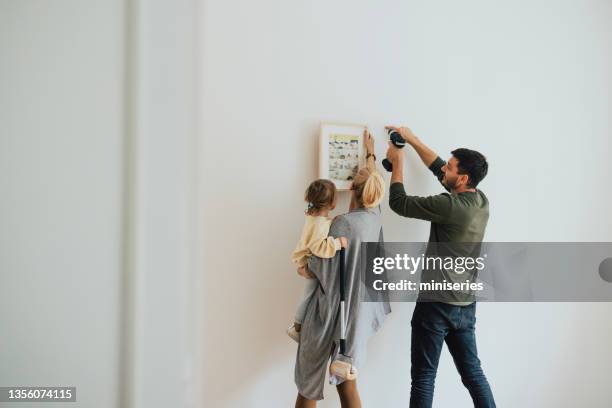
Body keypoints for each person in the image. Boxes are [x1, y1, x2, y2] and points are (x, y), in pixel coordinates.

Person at [385, 125, 496, 408]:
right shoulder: (481, 202)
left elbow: (399, 203)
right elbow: (438, 170)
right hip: (465, 305)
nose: (443, 170)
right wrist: (412, 139)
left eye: (450, 167)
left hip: (436, 305)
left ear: (463, 178)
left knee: (423, 378)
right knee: (473, 374)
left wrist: (397, 163)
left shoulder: (449, 205)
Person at [294, 130, 390, 408]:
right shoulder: (374, 219)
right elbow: (371, 186)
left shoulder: (341, 225)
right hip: (355, 319)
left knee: (308, 388)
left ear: (353, 192)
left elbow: (316, 270)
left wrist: (305, 264)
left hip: (326, 316)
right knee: (348, 387)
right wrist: (370, 155)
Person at [288, 179, 348, 342]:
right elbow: (318, 248)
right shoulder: (319, 224)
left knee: (310, 292)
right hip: (307, 261)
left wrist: (330, 221)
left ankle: (298, 324)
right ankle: (297, 326)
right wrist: (337, 243)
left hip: (304, 258)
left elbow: (318, 230)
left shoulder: (314, 217)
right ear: (332, 203)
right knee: (308, 293)